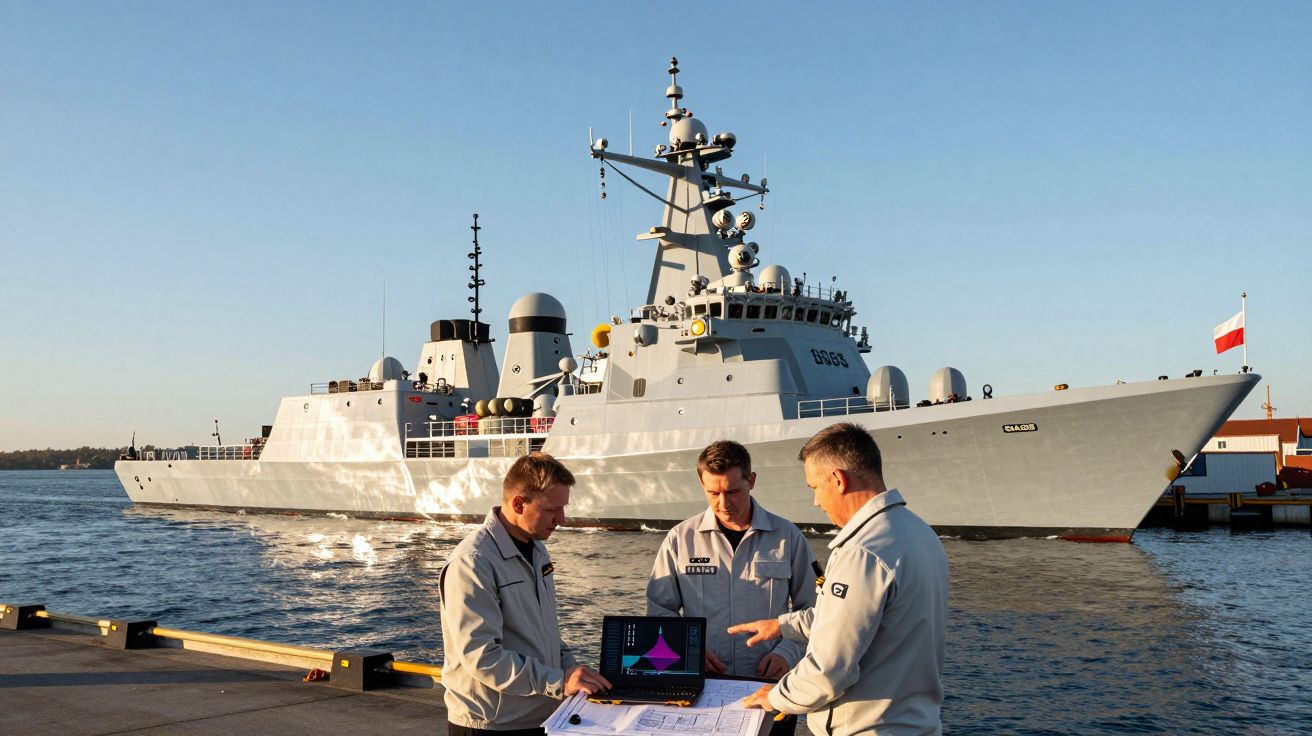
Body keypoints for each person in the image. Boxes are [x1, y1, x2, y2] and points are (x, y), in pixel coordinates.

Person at [729, 423, 949, 735]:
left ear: (838, 480)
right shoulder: (919, 533)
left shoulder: (862, 552)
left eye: (815, 488)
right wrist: (783, 625)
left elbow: (829, 669)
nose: (816, 502)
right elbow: (861, 618)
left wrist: (776, 697)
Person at [440, 452, 610, 736]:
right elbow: (482, 657)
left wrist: (573, 670)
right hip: (491, 724)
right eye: (552, 510)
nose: (562, 520)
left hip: (537, 714)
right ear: (519, 503)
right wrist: (559, 681)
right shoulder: (473, 562)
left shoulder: (536, 547)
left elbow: (543, 630)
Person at [647, 440, 817, 721]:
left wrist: (788, 652)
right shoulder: (679, 539)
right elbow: (659, 611)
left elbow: (813, 610)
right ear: (701, 484)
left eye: (733, 491)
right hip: (702, 689)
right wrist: (688, 651)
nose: (723, 504)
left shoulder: (788, 537)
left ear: (752, 481)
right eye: (713, 493)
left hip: (773, 688)